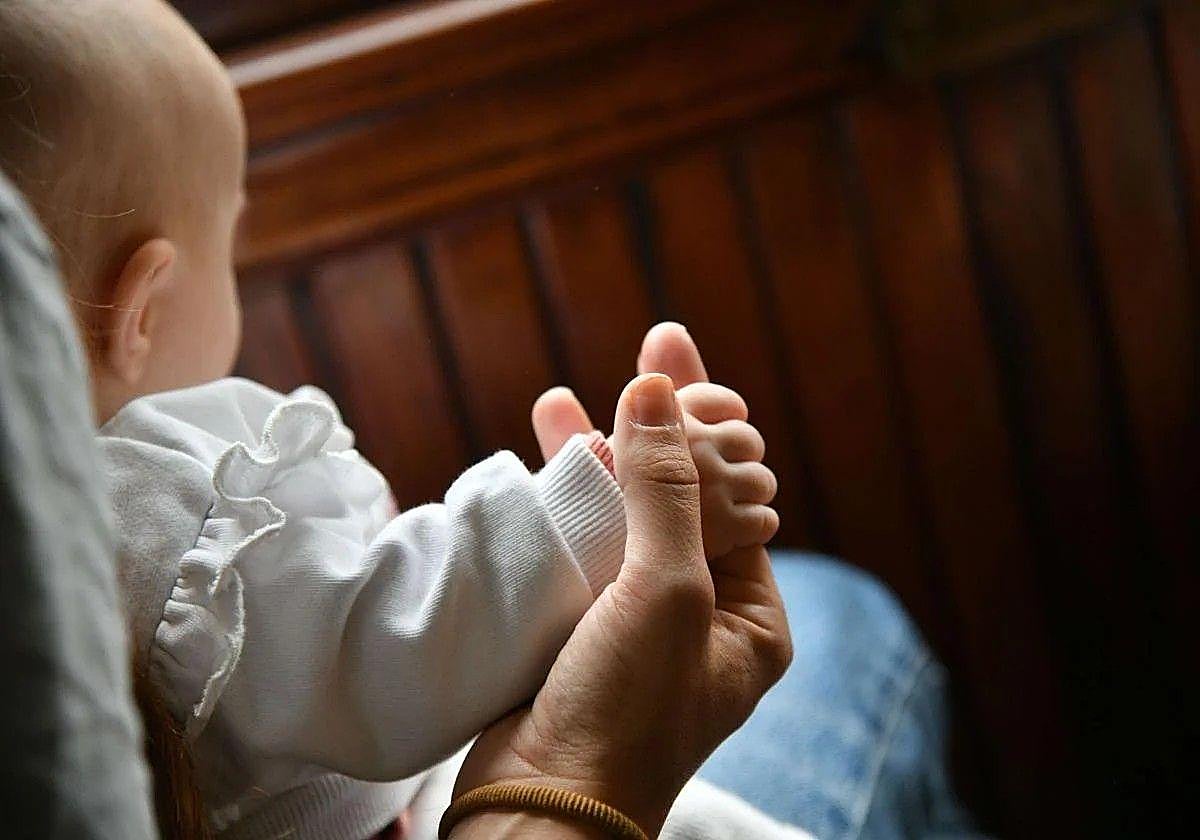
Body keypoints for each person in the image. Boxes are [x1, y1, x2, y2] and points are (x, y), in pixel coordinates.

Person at [0, 3, 790, 838]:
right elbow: (384, 640)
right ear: (144, 314)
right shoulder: (148, 509)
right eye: (228, 250)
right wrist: (597, 505)